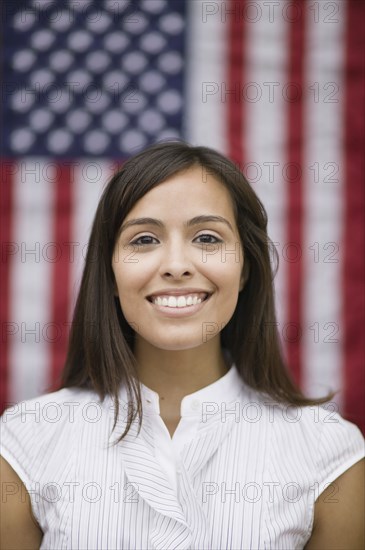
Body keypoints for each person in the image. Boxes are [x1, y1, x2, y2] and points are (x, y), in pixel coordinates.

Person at [1, 141, 364, 550]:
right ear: (110, 273)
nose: (176, 265)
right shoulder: (22, 443)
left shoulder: (332, 455)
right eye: (143, 240)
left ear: (246, 268)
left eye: (207, 238)